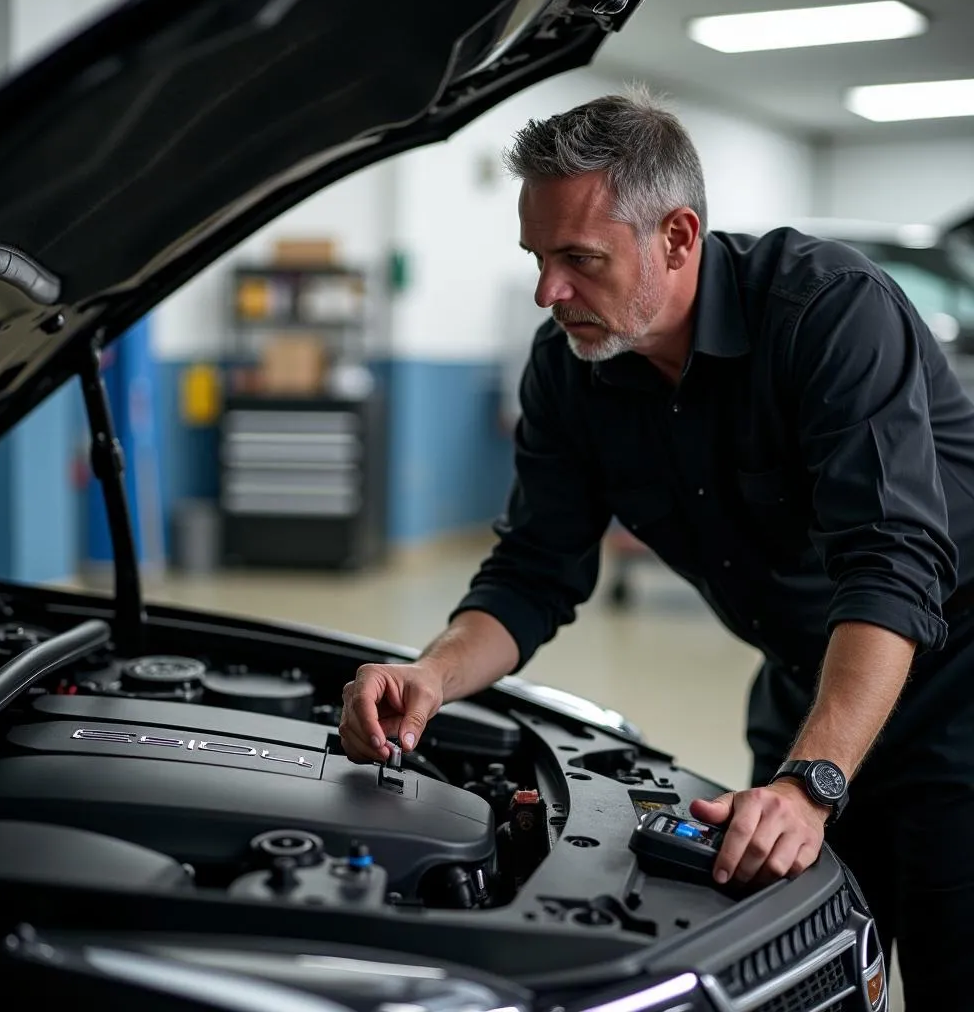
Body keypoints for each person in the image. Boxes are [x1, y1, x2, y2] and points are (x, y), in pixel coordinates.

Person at [338, 88, 974, 1008]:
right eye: (538, 257)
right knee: (803, 969)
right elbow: (533, 570)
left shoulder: (827, 313)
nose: (546, 291)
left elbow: (891, 564)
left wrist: (813, 781)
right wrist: (432, 674)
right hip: (811, 685)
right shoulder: (568, 371)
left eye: (577, 259)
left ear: (677, 237)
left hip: (956, 692)